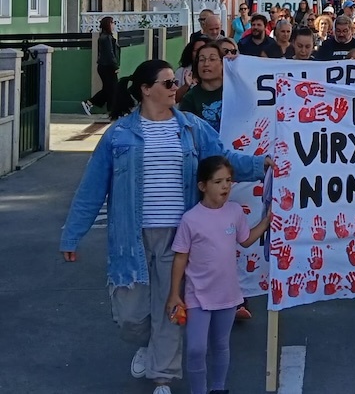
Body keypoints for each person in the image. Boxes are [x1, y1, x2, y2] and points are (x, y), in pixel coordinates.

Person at [60, 60, 269, 394]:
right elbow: (91, 188)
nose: (176, 88)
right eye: (169, 83)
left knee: (170, 307)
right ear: (146, 90)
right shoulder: (119, 135)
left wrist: (261, 164)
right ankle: (149, 345)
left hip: (180, 236)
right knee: (130, 313)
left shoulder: (191, 128)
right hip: (132, 237)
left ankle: (162, 377)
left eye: (176, 82)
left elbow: (224, 161)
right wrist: (72, 234)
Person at [167, 156, 272, 394]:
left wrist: (266, 223)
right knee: (196, 348)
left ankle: (218, 388)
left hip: (227, 294)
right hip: (197, 296)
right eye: (218, 182)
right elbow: (180, 257)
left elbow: (245, 240)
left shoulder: (234, 212)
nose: (225, 186)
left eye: (228, 181)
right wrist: (175, 294)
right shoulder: (190, 219)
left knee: (221, 344)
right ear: (203, 186)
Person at [179, 43, 224, 132]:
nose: (206, 64)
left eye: (212, 59)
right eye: (202, 60)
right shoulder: (190, 98)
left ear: (223, 63)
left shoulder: (234, 90)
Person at [82, 16, 121, 116]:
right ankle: (90, 103)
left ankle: (109, 109)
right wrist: (115, 66)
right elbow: (110, 53)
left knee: (110, 89)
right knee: (112, 88)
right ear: (108, 24)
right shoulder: (106, 37)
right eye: (112, 23)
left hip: (105, 66)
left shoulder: (106, 36)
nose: (113, 25)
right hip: (107, 66)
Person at [175, 37, 210, 103]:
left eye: (202, 49)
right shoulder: (181, 72)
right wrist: (186, 86)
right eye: (196, 50)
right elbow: (175, 99)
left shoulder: (216, 71)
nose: (199, 53)